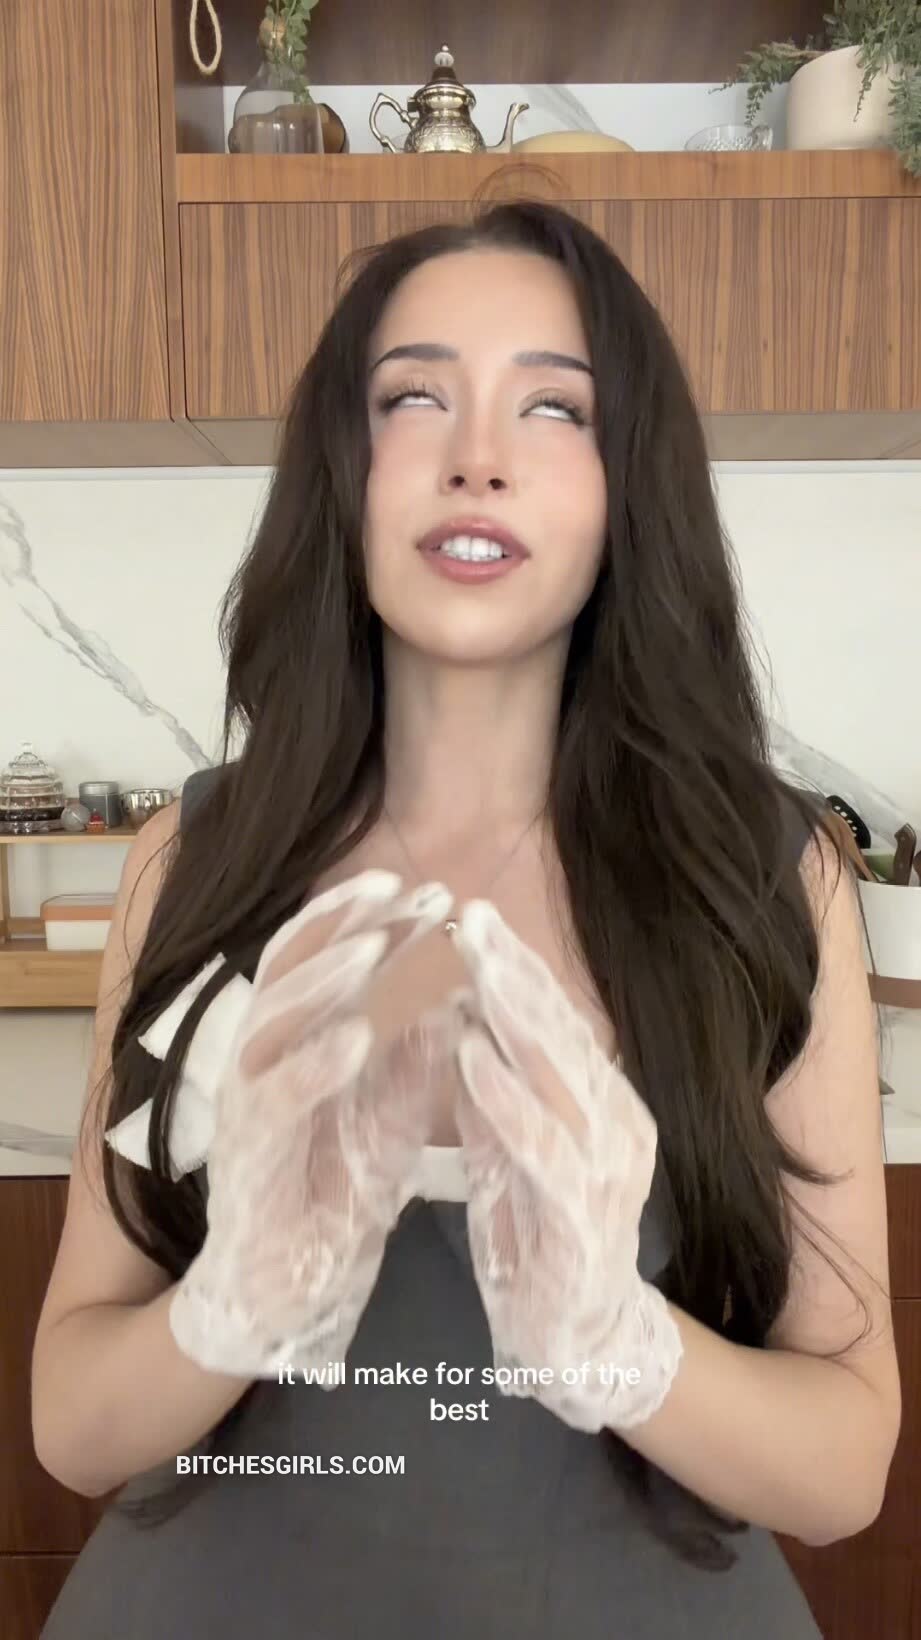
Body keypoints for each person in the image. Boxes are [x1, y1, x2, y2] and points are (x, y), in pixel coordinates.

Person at [32, 197, 900, 1639]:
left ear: (626, 487)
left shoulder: (763, 877)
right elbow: (72, 1425)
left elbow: (843, 1468)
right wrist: (232, 1302)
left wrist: (616, 1341)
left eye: (554, 407)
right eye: (413, 397)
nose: (475, 456)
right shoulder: (197, 861)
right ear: (345, 471)